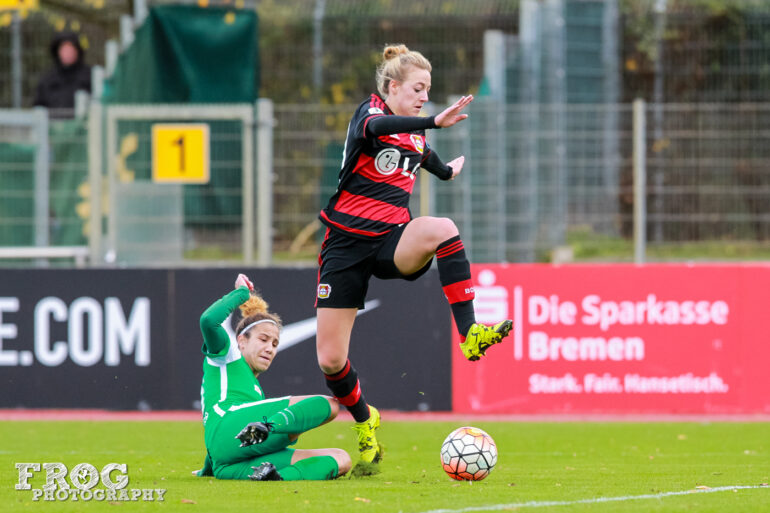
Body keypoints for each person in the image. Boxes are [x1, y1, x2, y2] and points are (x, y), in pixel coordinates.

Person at [315, 44, 513, 470]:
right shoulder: (368, 116)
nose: (425, 96)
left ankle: (470, 333)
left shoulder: (415, 136)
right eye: (418, 88)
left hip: (391, 242)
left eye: (428, 90)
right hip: (345, 247)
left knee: (443, 227)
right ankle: (366, 420)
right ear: (391, 87)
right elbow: (384, 126)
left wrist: (448, 171)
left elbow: (431, 161)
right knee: (330, 359)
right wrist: (432, 121)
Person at [195, 273, 351, 481]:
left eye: (275, 344)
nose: (270, 348)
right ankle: (269, 427)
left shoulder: (253, 391)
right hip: (229, 431)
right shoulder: (228, 356)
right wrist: (241, 293)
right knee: (329, 405)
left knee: (341, 458)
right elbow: (208, 321)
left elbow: (221, 438)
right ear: (241, 341)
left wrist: (209, 467)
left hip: (228, 464)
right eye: (264, 339)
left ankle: (276, 477)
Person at [33, 31, 92, 115]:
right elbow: (39, 107)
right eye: (64, 49)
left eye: (70, 48)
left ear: (77, 51)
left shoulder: (89, 76)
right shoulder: (47, 80)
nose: (67, 53)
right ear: (57, 52)